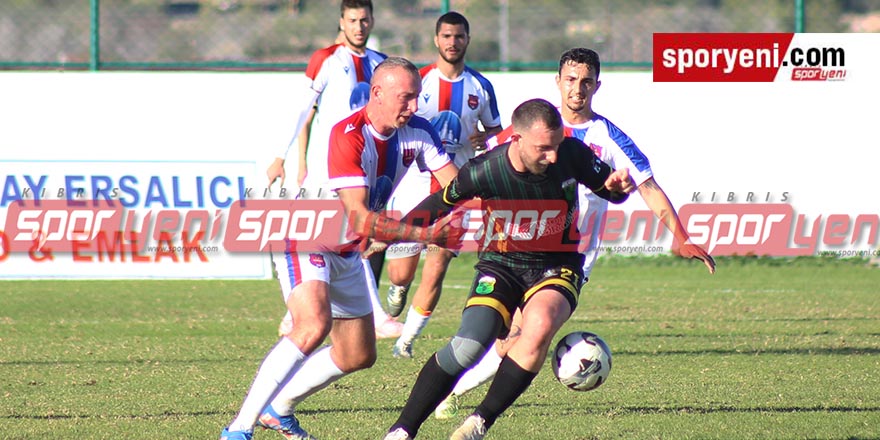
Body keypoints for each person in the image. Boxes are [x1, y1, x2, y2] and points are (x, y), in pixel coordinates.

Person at [433, 47, 716, 421]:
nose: (577, 89)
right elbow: (489, 169)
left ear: (597, 86)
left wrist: (679, 236)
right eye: (570, 80)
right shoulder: (533, 132)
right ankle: (456, 397)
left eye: (586, 82)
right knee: (510, 338)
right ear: (558, 81)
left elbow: (648, 186)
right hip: (516, 252)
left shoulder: (608, 136)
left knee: (520, 337)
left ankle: (457, 398)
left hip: (568, 259)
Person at [221, 57, 459, 440]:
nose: (414, 107)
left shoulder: (418, 131)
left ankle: (277, 411)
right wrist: (425, 234)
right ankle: (238, 429)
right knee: (313, 325)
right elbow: (363, 219)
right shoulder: (348, 134)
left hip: (347, 250)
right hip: (307, 233)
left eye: (417, 97)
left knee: (357, 355)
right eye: (406, 98)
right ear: (377, 93)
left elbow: (455, 188)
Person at [382, 98, 636, 440]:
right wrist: (393, 232)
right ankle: (402, 429)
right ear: (516, 139)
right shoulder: (484, 170)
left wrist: (619, 189)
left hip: (557, 265)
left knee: (540, 324)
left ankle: (479, 421)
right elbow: (440, 202)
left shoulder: (572, 153)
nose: (554, 156)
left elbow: (611, 190)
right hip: (501, 265)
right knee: (469, 347)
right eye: (543, 148)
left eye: (557, 145)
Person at [267, 0, 403, 340]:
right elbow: (302, 111)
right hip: (329, 167)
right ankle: (375, 316)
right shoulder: (326, 59)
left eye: (365, 20)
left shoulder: (379, 64)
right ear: (342, 21)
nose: (359, 26)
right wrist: (282, 157)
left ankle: (294, 315)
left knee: (339, 240)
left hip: (363, 167)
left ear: (372, 21)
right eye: (353, 20)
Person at [375, 11, 502, 359]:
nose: (452, 42)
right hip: (415, 185)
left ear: (467, 40)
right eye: (446, 36)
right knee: (402, 272)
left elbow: (495, 132)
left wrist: (485, 142)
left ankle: (406, 342)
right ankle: (399, 287)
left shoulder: (480, 87)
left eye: (459, 36)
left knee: (438, 263)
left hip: (455, 186)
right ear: (436, 40)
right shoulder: (420, 82)